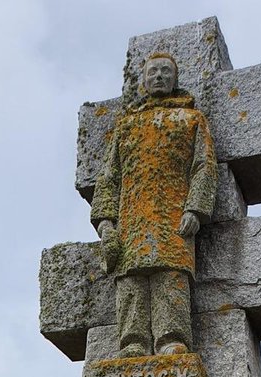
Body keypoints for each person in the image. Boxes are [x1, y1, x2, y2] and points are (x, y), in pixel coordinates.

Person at [91, 51, 217, 357]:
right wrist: (106, 222)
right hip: (131, 220)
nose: (158, 76)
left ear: (175, 79)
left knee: (170, 276)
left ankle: (171, 338)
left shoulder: (191, 119)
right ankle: (132, 341)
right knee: (131, 280)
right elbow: (109, 177)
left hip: (173, 216)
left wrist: (195, 208)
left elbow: (204, 167)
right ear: (144, 81)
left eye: (165, 71)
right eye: (152, 72)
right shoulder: (126, 125)